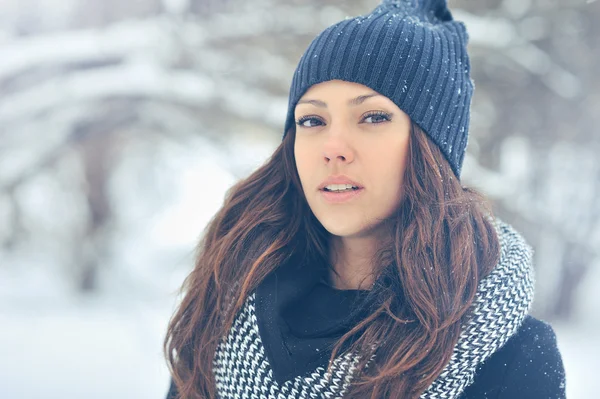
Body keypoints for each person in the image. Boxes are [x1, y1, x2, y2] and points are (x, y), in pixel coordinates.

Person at [163, 0, 566, 398]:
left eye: (373, 117)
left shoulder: (509, 354)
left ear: (432, 147)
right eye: (312, 121)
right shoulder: (223, 309)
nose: (333, 147)